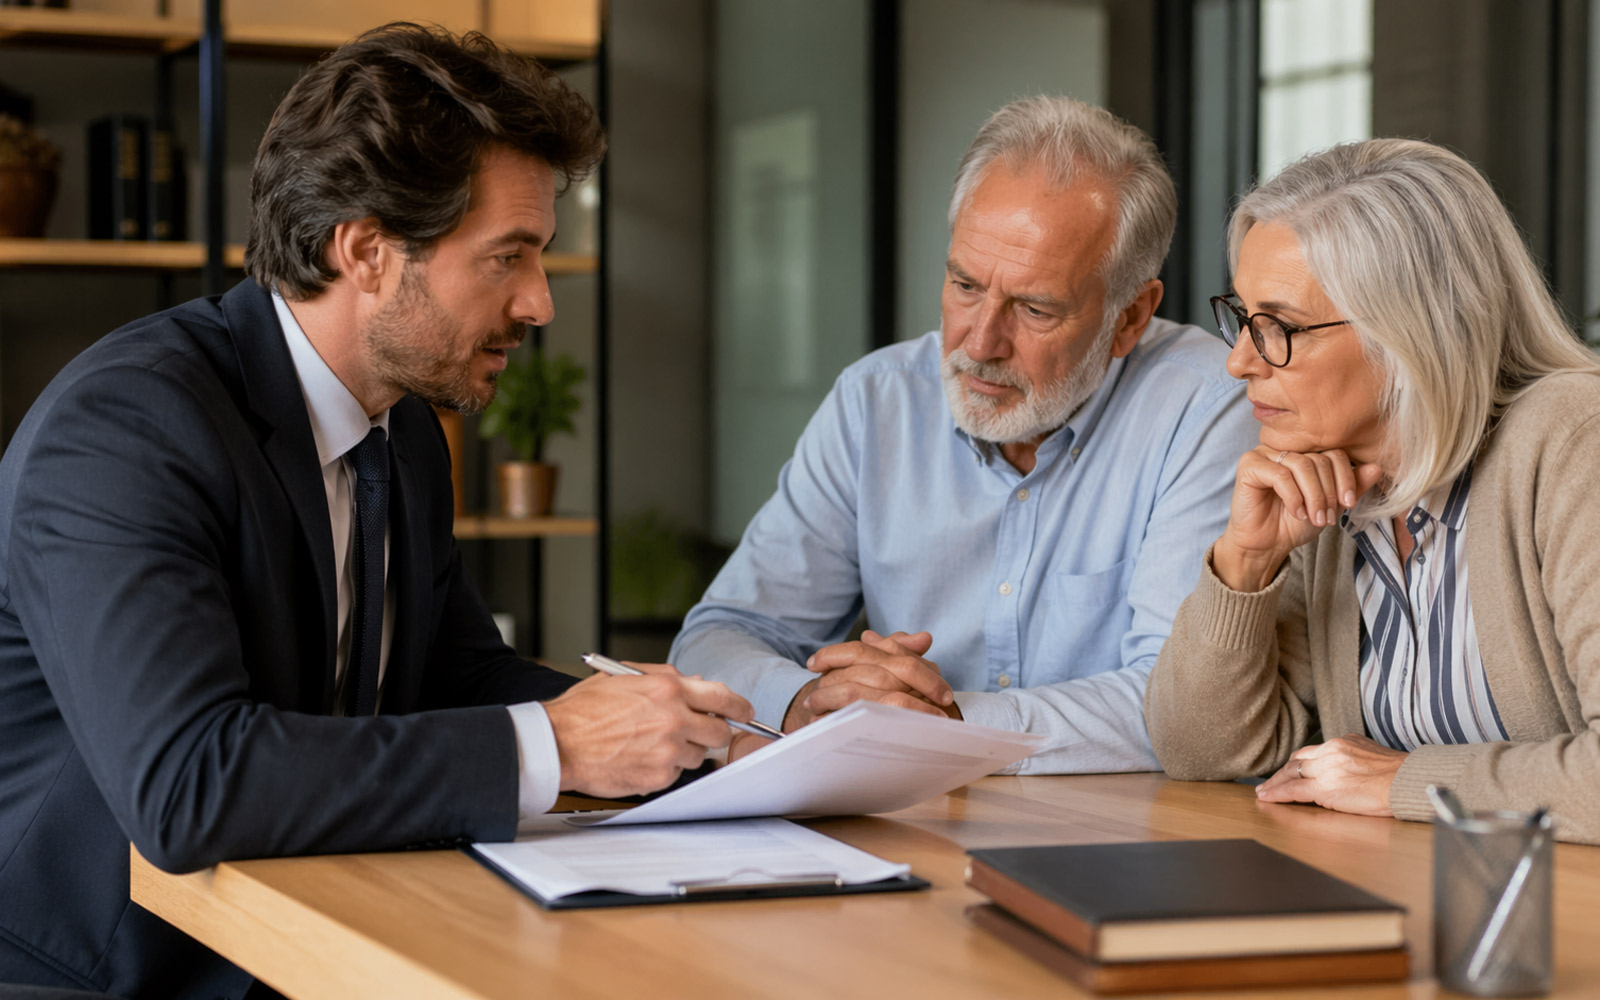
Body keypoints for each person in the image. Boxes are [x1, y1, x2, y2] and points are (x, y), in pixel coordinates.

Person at [0, 24, 753, 998]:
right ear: (364, 250)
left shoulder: (396, 425)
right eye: (507, 257)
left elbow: (454, 671)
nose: (539, 303)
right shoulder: (127, 428)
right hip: (110, 973)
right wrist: (563, 743)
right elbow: (190, 783)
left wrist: (690, 739)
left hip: (303, 925)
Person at [672, 97, 1256, 771]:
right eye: (965, 285)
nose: (980, 342)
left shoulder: (1209, 405)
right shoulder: (877, 401)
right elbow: (720, 635)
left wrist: (945, 723)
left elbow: (1178, 703)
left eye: (1034, 308)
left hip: (1124, 840)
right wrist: (807, 701)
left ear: (1129, 318)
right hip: (907, 818)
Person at [1144, 138, 1600, 844]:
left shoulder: (1573, 439)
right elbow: (1200, 752)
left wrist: (1405, 782)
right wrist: (1246, 563)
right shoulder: (1326, 487)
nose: (1238, 362)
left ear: (1411, 333)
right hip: (1414, 899)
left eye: (1280, 328)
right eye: (1242, 318)